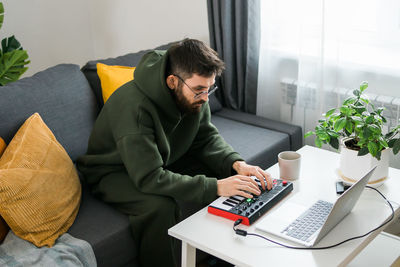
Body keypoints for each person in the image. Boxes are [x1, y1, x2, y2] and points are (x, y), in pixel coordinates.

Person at [77, 38, 272, 267]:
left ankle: (223, 255)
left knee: (230, 176)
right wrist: (216, 186)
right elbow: (149, 177)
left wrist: (237, 164)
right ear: (172, 81)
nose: (205, 98)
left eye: (209, 89)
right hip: (112, 171)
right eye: (199, 90)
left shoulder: (194, 93)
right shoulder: (135, 110)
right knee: (160, 207)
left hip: (162, 156)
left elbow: (206, 138)